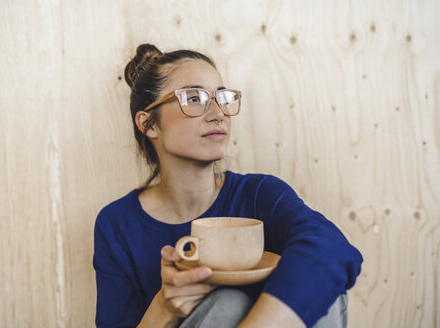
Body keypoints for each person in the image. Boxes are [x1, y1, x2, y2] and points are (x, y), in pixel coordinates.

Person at [93, 44, 363, 328]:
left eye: (222, 97)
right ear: (148, 124)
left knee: (321, 287)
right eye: (194, 98)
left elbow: (331, 248)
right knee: (227, 303)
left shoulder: (260, 195)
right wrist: (164, 306)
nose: (218, 113)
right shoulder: (117, 225)